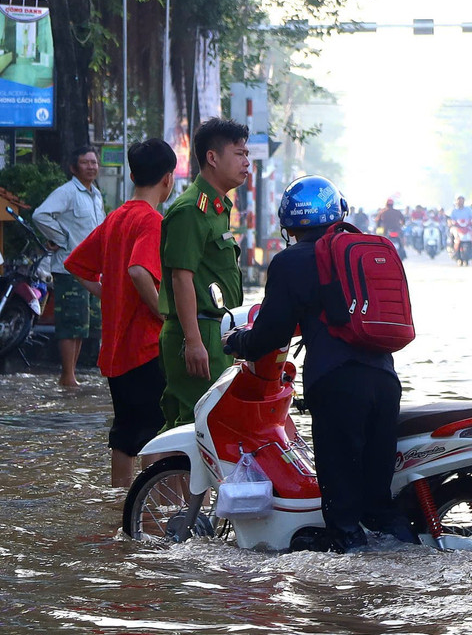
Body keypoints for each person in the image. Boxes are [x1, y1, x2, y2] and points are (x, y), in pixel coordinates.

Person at [226, 176, 414, 553]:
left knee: (342, 511)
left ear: (289, 224)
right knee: (379, 504)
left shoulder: (290, 261)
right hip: (385, 381)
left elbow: (271, 335)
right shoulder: (362, 250)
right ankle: (409, 567)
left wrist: (236, 342)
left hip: (336, 384)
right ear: (337, 213)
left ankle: (346, 603)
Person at [63, 139, 177, 487]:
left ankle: (122, 508)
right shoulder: (151, 220)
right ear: (168, 179)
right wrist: (163, 315)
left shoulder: (117, 217)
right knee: (158, 434)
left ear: (131, 175)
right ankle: (154, 516)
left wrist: (110, 294)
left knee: (125, 434)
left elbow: (77, 265)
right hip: (143, 347)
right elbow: (140, 272)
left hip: (114, 351)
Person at [157, 118, 250, 431]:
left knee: (202, 427)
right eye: (239, 154)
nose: (246, 162)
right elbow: (181, 277)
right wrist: (193, 341)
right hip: (197, 332)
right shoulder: (190, 210)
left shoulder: (218, 207)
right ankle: (157, 482)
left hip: (215, 331)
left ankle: (162, 482)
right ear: (212, 157)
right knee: (193, 427)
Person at [33, 144, 106, 386]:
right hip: (69, 270)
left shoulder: (96, 195)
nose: (91, 167)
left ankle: (71, 374)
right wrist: (60, 238)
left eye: (94, 162)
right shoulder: (66, 192)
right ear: (74, 168)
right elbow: (40, 215)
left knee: (82, 324)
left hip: (92, 271)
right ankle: (67, 376)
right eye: (86, 163)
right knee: (69, 323)